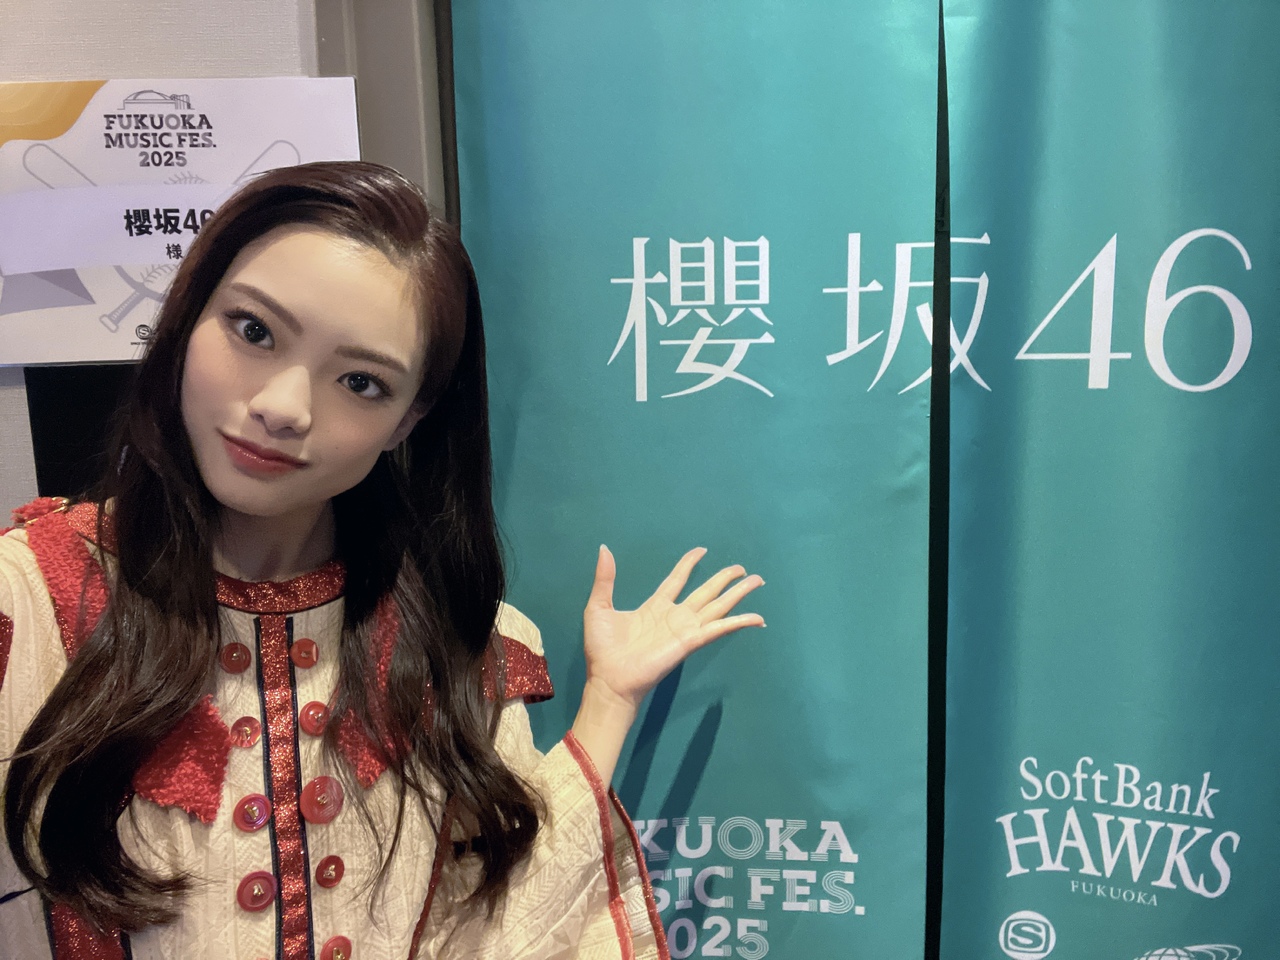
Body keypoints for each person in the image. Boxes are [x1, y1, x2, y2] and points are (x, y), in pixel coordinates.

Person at [0, 161, 763, 960]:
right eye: (253, 331)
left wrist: (609, 698)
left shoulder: (456, 643)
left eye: (360, 382)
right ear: (188, 317)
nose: (283, 407)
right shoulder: (31, 601)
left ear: (409, 418)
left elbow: (498, 927)